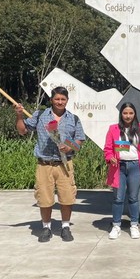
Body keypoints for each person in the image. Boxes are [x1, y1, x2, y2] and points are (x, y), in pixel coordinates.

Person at [15, 87, 86, 243]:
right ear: (51, 100)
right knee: (45, 198)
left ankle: (65, 227)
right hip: (44, 164)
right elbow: (22, 130)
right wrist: (19, 115)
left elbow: (79, 141)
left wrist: (69, 146)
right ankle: (46, 227)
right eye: (57, 99)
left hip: (64, 164)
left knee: (67, 197)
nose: (60, 102)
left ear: (67, 100)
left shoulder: (73, 119)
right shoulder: (40, 115)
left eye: (63, 99)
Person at [104, 102, 140, 240]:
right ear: (121, 114)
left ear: (135, 114)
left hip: (135, 166)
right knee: (118, 198)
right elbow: (107, 149)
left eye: (131, 113)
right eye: (125, 113)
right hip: (119, 167)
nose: (128, 116)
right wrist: (110, 158)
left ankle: (134, 225)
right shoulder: (113, 129)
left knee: (133, 197)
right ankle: (116, 225)